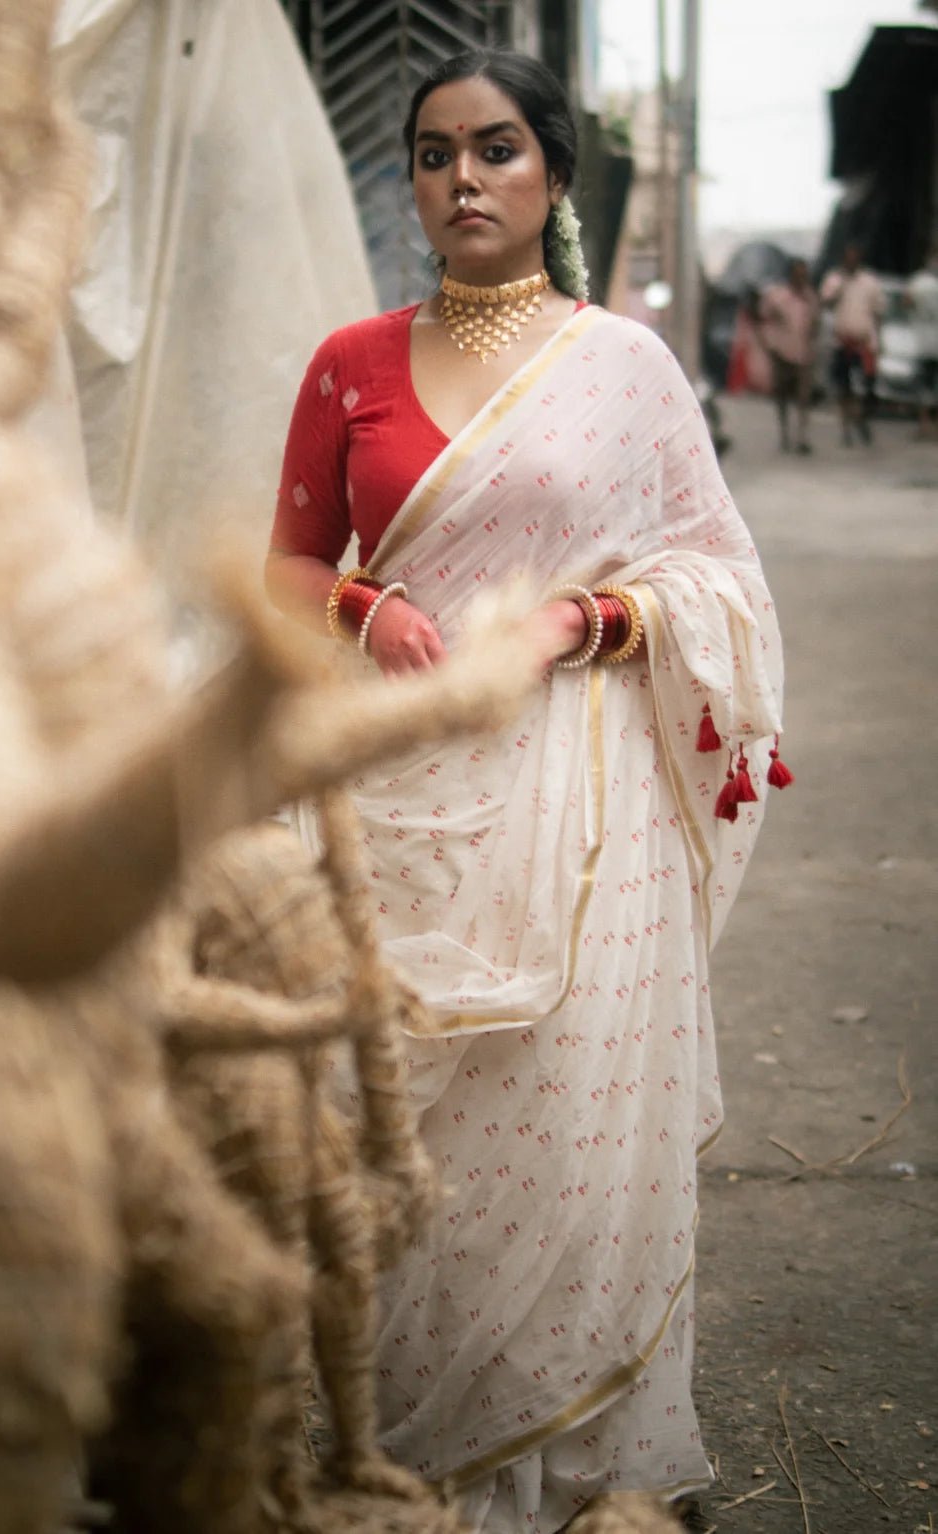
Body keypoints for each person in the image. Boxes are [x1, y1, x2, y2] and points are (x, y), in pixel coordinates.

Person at [266, 48, 787, 1533]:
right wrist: (365, 614)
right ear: (411, 183)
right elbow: (290, 560)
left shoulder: (622, 365)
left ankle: (580, 1472)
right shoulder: (347, 362)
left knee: (568, 1121)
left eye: (496, 149)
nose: (463, 178)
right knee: (405, 1133)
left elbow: (713, 572)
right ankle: (428, 1459)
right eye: (434, 154)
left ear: (549, 172)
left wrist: (584, 621)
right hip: (395, 791)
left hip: (580, 797)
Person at [819, 241, 885, 446]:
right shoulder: (834, 279)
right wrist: (839, 290)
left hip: (864, 343)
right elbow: (825, 303)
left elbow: (878, 313)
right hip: (842, 343)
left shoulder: (870, 282)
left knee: (867, 387)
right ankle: (846, 429)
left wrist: (879, 340)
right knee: (844, 388)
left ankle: (861, 419)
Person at [759, 257, 819, 453]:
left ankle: (802, 436)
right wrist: (770, 344)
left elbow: (815, 323)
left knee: (803, 397)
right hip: (782, 352)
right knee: (782, 394)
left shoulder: (810, 298)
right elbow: (764, 318)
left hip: (803, 354)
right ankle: (784, 432)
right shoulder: (778, 296)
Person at [906, 243, 938, 441]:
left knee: (925, 388)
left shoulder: (919, 282)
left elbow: (906, 302)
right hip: (926, 344)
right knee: (927, 387)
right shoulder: (921, 282)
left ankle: (925, 426)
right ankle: (927, 426)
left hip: (925, 345)